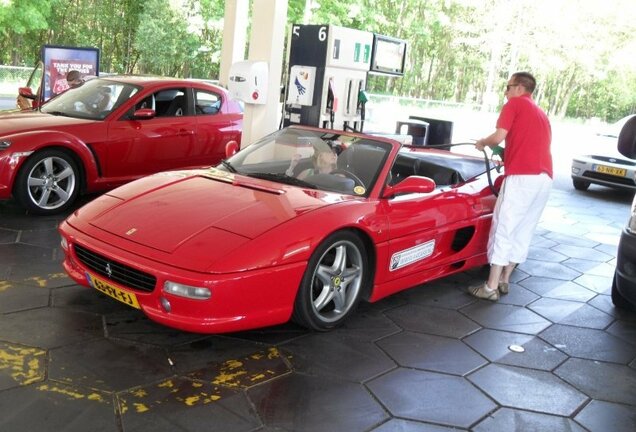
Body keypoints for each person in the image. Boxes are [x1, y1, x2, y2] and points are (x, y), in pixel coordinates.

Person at [470, 71, 553, 301]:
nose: (506, 92)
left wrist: (483, 142)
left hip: (522, 179)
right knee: (524, 228)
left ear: (519, 88)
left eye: (507, 87)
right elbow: (530, 146)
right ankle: (505, 279)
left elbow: (498, 136)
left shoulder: (514, 104)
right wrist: (505, 154)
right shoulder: (541, 114)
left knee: (503, 227)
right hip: (544, 179)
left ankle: (490, 287)